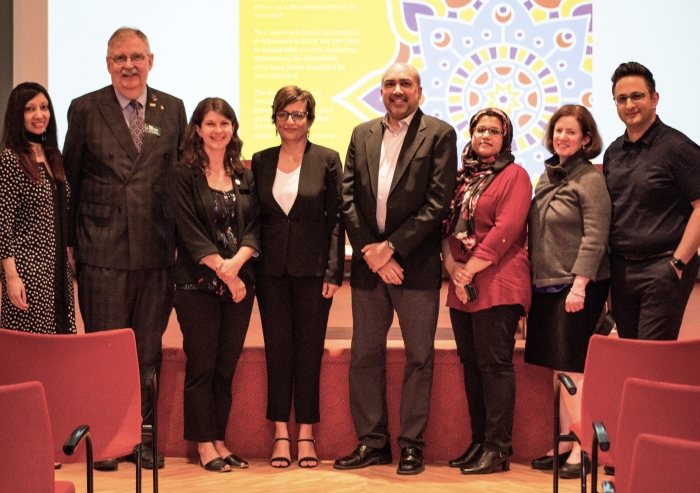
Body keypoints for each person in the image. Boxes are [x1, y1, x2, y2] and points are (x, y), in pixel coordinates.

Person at [62, 27, 187, 471]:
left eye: (136, 57)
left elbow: (181, 180)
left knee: (148, 351)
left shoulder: (172, 109)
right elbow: (69, 182)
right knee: (103, 351)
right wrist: (70, 245)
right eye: (120, 58)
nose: (128, 65)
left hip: (157, 250)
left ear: (151, 60)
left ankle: (143, 437)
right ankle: (106, 438)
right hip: (101, 250)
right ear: (108, 63)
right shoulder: (84, 108)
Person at [335, 63, 457, 476]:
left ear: (420, 92)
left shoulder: (439, 134)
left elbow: (437, 203)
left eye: (406, 83)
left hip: (416, 267)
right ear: (380, 92)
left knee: (419, 358)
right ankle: (372, 443)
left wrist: (392, 250)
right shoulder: (361, 133)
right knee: (364, 356)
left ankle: (411, 446)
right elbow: (347, 197)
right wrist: (372, 252)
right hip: (370, 266)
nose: (397, 90)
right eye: (390, 84)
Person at [251, 86, 343, 468]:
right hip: (269, 272)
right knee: (277, 352)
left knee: (308, 352)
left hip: (313, 273)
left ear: (310, 119)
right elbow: (253, 218)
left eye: (298, 115)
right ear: (275, 118)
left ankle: (305, 433)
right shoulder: (259, 160)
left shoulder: (327, 159)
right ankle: (280, 434)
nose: (291, 121)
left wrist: (334, 269)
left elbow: (337, 220)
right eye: (284, 114)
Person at [171, 97, 260, 473]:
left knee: (225, 370)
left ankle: (220, 441)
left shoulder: (245, 174)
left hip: (240, 285)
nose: (218, 130)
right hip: (197, 286)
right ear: (197, 129)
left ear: (233, 129)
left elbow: (256, 225)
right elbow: (187, 230)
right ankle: (204, 446)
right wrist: (225, 271)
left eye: (225, 123)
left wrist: (237, 266)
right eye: (210, 123)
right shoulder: (182, 174)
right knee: (202, 368)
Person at [442, 108, 531, 475]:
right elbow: (445, 225)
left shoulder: (515, 175)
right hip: (462, 282)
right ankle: (479, 441)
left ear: (505, 137)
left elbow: (506, 228)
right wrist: (452, 268)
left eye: (494, 131)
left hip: (499, 281)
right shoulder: (462, 177)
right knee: (470, 366)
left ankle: (498, 448)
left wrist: (468, 271)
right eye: (480, 129)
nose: (485, 136)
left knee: (494, 366)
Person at [525, 105, 610, 479]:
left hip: (578, 287)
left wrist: (580, 285)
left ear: (586, 139)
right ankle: (563, 440)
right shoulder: (547, 177)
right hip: (546, 285)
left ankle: (584, 447)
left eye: (571, 132)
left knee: (575, 369)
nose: (562, 137)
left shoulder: (589, 179)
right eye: (558, 131)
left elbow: (595, 236)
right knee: (558, 368)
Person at [604, 61, 700, 341]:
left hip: (664, 268)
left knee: (651, 358)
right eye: (622, 99)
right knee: (630, 354)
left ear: (654, 99)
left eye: (637, 96)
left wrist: (678, 264)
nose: (629, 105)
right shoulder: (613, 152)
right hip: (621, 272)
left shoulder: (678, 147)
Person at [0, 82, 76, 334]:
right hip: (28, 271)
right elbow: (3, 224)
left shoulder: (53, 156)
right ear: (17, 115)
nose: (39, 114)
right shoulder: (10, 159)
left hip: (57, 271)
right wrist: (11, 276)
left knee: (61, 345)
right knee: (33, 350)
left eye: (44, 107)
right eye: (30, 109)